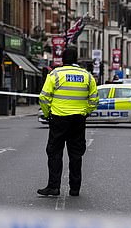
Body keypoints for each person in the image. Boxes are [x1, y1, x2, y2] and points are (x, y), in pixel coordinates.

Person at [38, 47, 98, 197]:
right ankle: (75, 188)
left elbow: (44, 97)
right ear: (76, 59)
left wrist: (48, 114)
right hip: (78, 120)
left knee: (54, 152)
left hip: (59, 118)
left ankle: (53, 187)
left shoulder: (55, 74)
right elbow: (94, 99)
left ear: (62, 59)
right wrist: (86, 112)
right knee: (76, 154)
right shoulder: (87, 75)